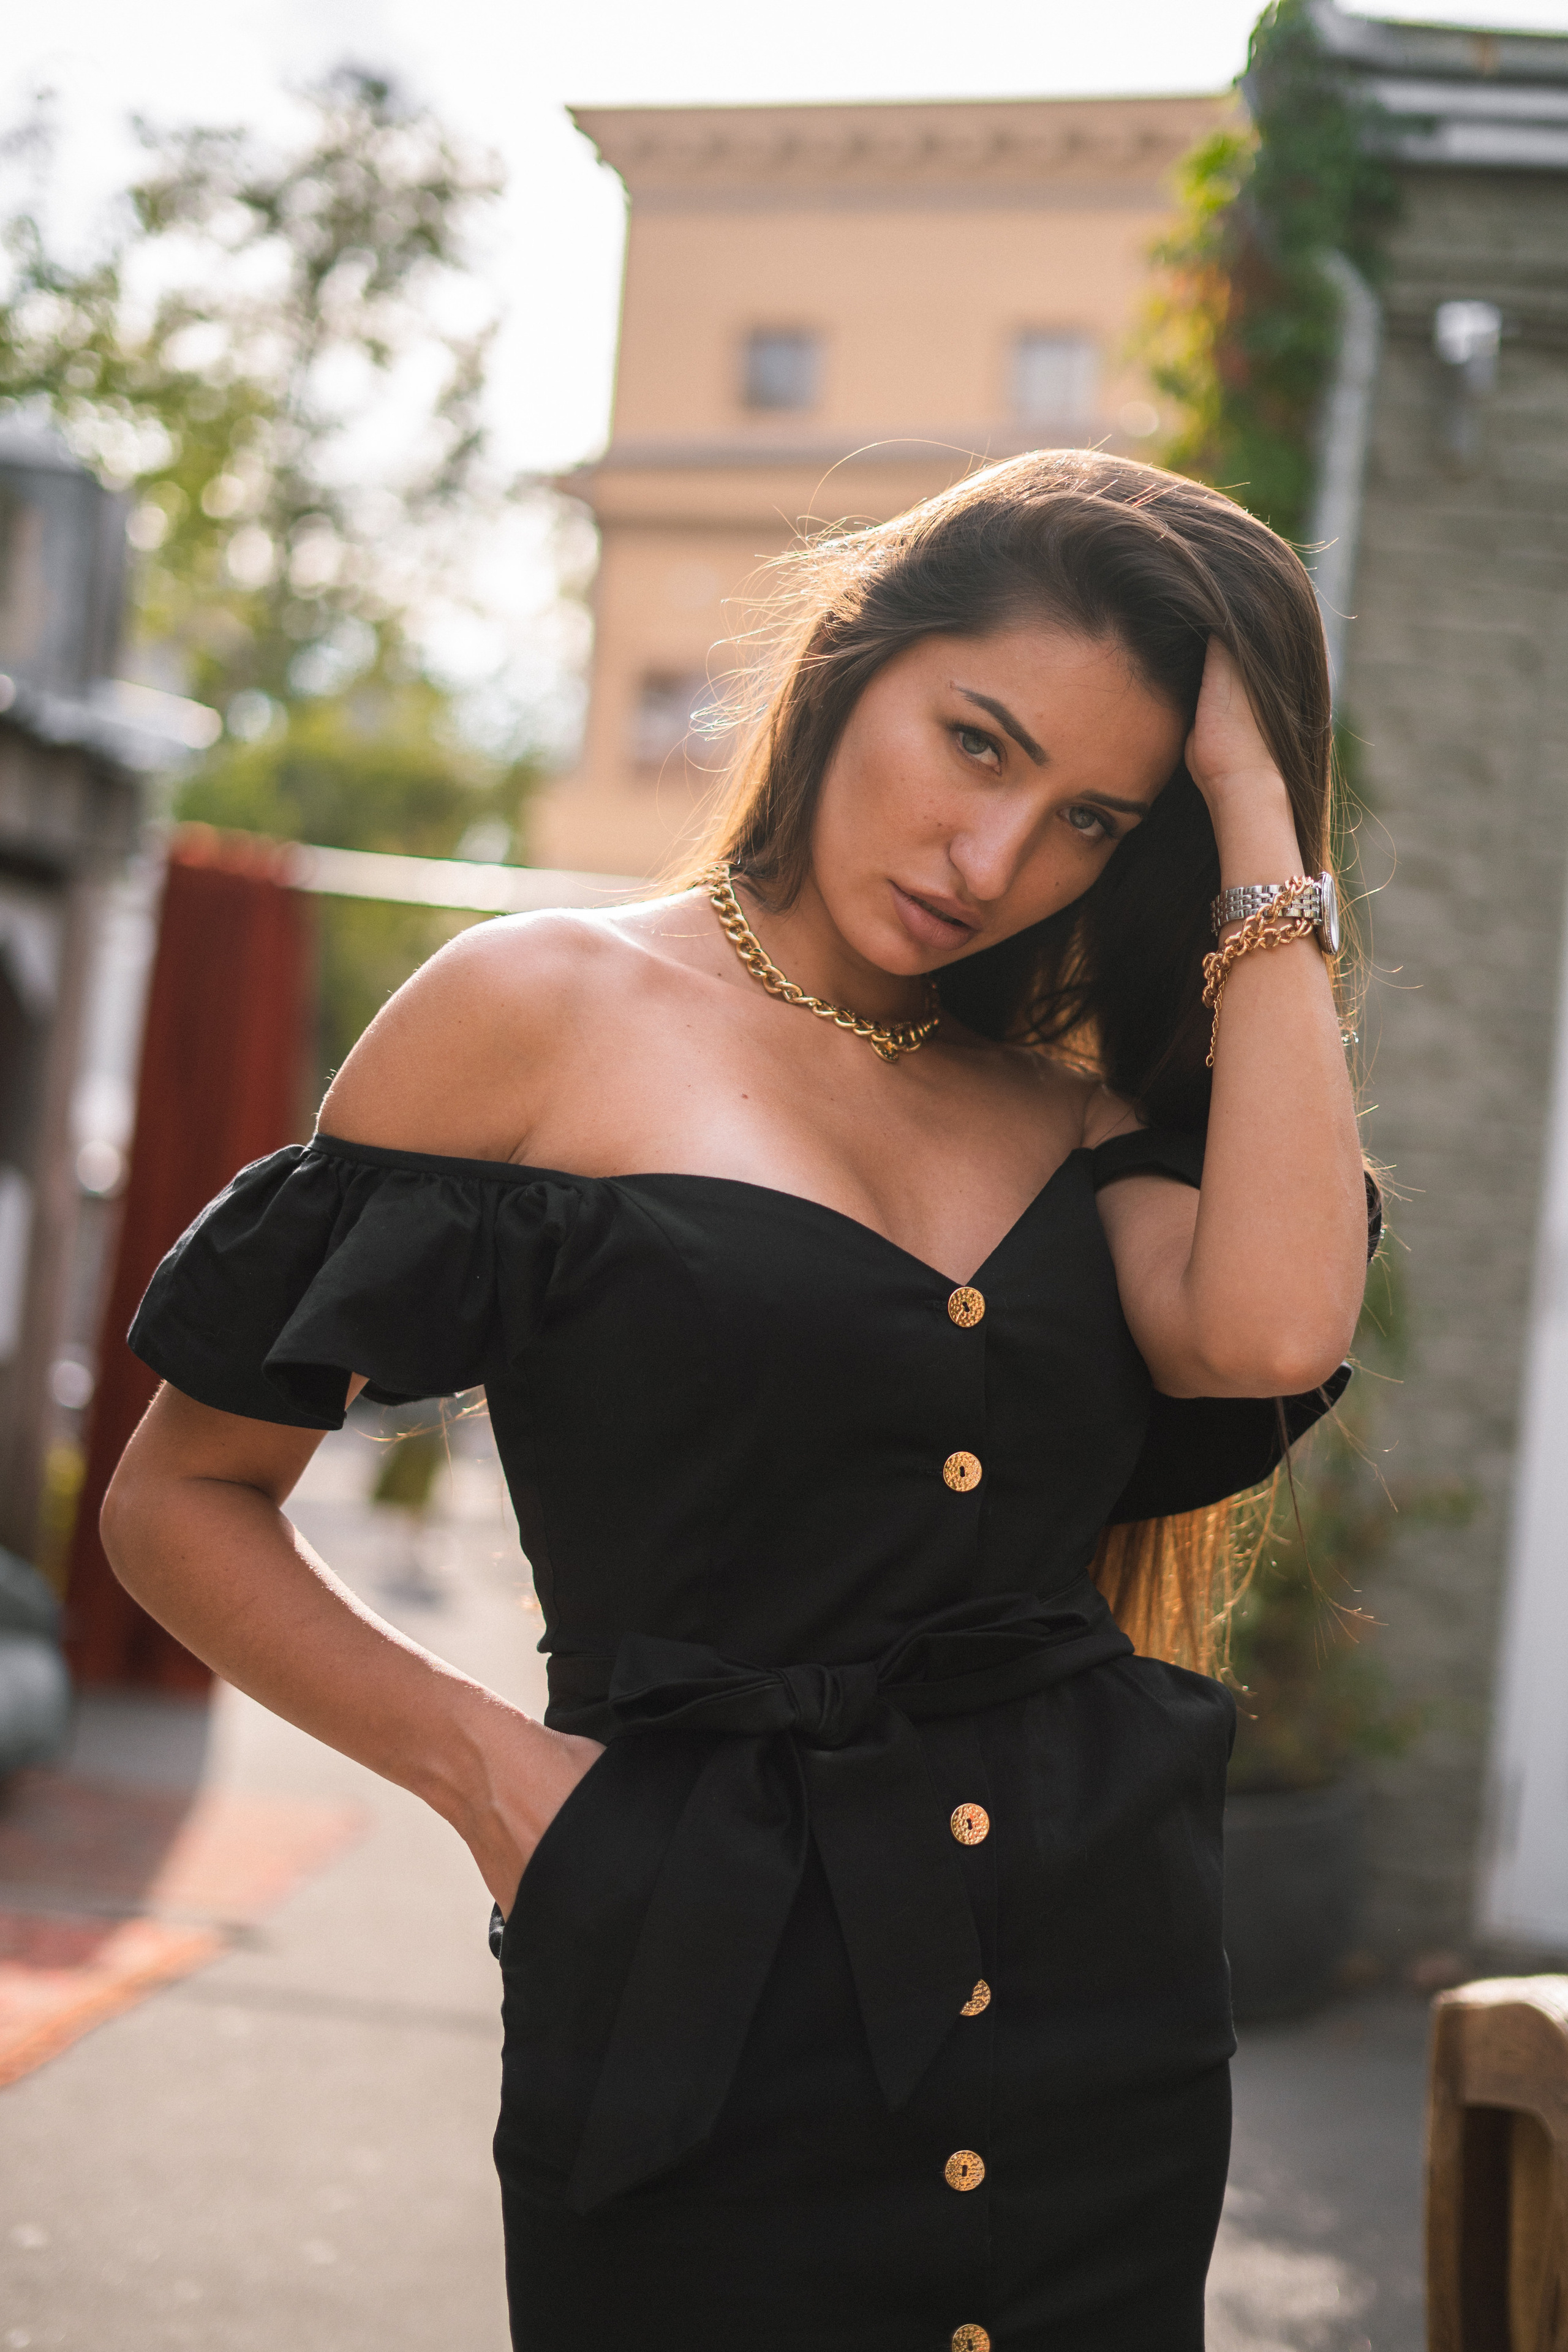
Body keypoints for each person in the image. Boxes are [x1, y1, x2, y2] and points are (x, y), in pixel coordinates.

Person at [103, 450, 1375, 2352]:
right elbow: (176, 1496)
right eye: (976, 743)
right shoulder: (538, 1012)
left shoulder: (1073, 1111)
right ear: (854, 658)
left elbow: (1272, 1334)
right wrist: (496, 1779)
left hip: (1085, 1997)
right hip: (692, 1973)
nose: (990, 861)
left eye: (1093, 821)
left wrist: (1255, 812)